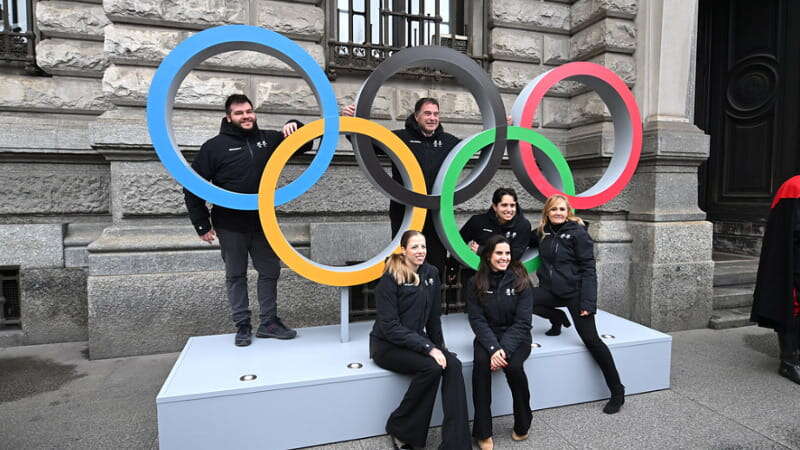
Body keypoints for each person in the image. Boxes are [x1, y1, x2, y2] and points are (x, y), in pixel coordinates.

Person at [183, 94, 312, 347]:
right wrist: (201, 224)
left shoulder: (269, 139)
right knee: (235, 275)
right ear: (228, 117)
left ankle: (269, 323)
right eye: (240, 113)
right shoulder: (214, 147)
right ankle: (242, 325)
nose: (246, 116)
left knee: (270, 271)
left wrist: (295, 124)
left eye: (249, 111)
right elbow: (192, 186)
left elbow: (306, 144)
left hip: (263, 222)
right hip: (229, 224)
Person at [370, 230, 471, 450]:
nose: (420, 251)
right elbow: (390, 327)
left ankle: (457, 443)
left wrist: (441, 348)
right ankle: (401, 428)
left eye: (423, 247)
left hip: (416, 340)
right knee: (431, 368)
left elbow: (433, 319)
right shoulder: (390, 277)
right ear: (403, 250)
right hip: (387, 345)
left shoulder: (431, 273)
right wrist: (428, 348)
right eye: (415, 247)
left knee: (453, 365)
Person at [528, 194, 625, 414]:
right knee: (524, 299)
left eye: (562, 209)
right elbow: (516, 243)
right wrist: (483, 246)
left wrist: (588, 303)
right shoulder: (542, 233)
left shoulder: (578, 233)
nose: (558, 213)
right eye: (554, 210)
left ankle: (617, 391)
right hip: (550, 290)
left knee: (591, 340)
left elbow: (589, 269)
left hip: (575, 294)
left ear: (568, 211)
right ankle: (557, 318)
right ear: (547, 213)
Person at [342, 98, 460, 276]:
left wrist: (502, 129)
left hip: (436, 214)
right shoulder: (399, 138)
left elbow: (480, 146)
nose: (432, 118)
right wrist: (349, 121)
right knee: (404, 265)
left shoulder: (449, 141)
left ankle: (432, 302)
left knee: (435, 267)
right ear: (416, 116)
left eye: (436, 114)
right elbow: (364, 142)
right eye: (427, 113)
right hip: (406, 212)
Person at [465, 235, 533, 450]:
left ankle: (523, 422)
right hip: (488, 336)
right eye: (499, 253)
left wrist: (502, 350)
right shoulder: (475, 282)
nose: (504, 257)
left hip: (517, 336)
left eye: (507, 253)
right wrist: (494, 348)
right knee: (481, 368)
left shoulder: (521, 280)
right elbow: (476, 319)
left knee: (514, 367)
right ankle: (483, 432)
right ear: (488, 256)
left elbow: (523, 322)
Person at [751, 175, 800, 384]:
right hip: (794, 260)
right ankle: (789, 361)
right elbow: (790, 232)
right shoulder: (794, 187)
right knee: (792, 304)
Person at [457, 187, 532, 291]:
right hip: (479, 273)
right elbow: (458, 244)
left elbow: (515, 255)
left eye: (513, 205)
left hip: (507, 277)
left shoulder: (523, 225)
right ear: (494, 206)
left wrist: (481, 250)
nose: (509, 210)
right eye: (504, 205)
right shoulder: (477, 221)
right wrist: (453, 268)